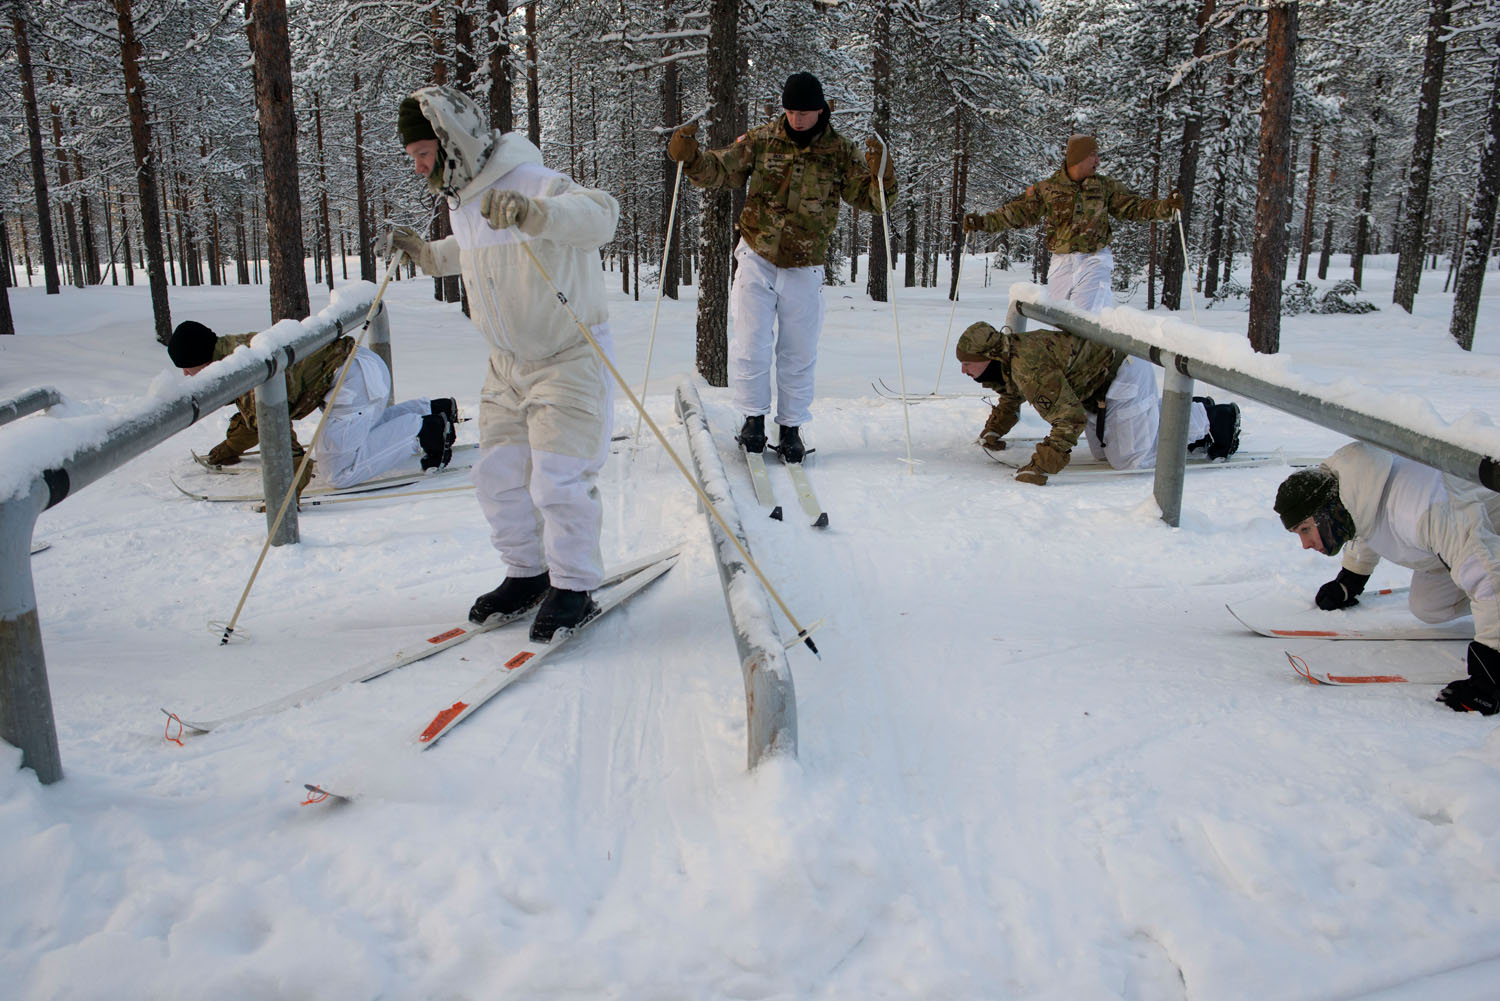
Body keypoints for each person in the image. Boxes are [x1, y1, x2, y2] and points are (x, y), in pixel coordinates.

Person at [389, 85, 620, 642]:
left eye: (422, 152)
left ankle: (573, 585)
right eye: (413, 157)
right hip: (507, 364)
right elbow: (474, 254)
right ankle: (528, 572)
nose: (418, 166)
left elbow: (602, 217)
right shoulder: (466, 200)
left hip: (567, 356)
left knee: (559, 480)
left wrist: (536, 213)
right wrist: (427, 255)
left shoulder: (531, 181)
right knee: (496, 476)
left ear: (451, 141)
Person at [666, 71, 896, 463]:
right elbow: (721, 169)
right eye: (790, 111)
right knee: (751, 343)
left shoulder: (839, 150)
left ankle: (790, 428)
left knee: (798, 350)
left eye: (804, 112)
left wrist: (883, 174)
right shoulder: (761, 140)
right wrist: (691, 158)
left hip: (805, 265)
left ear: (821, 110)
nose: (797, 119)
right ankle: (753, 420)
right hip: (757, 255)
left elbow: (871, 200)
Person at [1274, 442, 1500, 715]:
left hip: (1483, 536)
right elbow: (1367, 523)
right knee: (1429, 606)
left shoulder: (1421, 510)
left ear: (1327, 514)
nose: (1305, 544)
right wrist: (1351, 578)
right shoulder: (1357, 496)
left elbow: (1488, 577)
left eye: (1306, 529)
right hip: (1467, 541)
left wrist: (1491, 669)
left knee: (1483, 584)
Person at [167, 320, 455, 489]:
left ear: (202, 360)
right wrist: (227, 451)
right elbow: (252, 421)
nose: (185, 375)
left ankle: (425, 431)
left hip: (352, 382)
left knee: (338, 472)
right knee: (361, 430)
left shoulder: (242, 373)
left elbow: (276, 436)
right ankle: (432, 410)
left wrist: (285, 497)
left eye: (187, 368)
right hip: (362, 365)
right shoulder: (237, 352)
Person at [954, 320, 1238, 484]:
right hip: (1094, 391)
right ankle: (1175, 412)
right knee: (1102, 453)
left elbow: (1069, 419)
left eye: (968, 364)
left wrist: (1040, 466)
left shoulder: (1028, 365)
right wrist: (995, 430)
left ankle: (1214, 420)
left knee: (1128, 461)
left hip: (1122, 374)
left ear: (989, 357)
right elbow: (1011, 394)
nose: (964, 371)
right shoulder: (1009, 356)